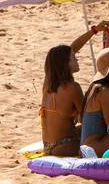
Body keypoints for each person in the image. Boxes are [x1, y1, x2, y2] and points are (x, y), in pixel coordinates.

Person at [38, 27, 100, 157]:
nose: (77, 59)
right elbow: (87, 119)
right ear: (66, 64)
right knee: (102, 133)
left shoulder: (49, 84)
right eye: (73, 58)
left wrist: (94, 30)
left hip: (48, 146)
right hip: (65, 146)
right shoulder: (72, 88)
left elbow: (71, 49)